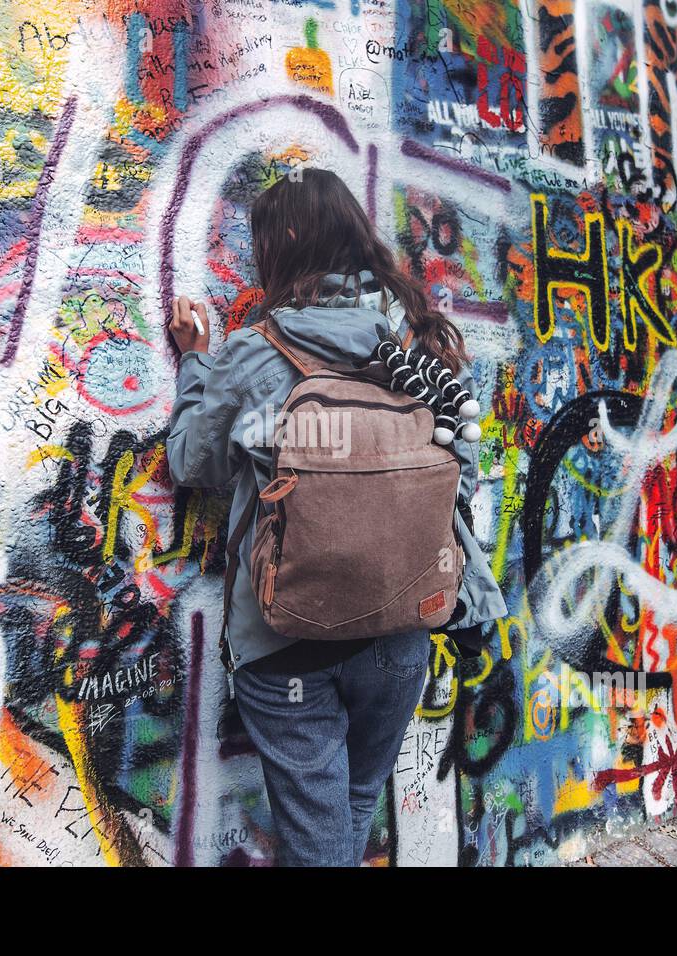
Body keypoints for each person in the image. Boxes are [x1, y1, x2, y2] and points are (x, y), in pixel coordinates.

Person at [164, 168, 506, 866]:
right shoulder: (414, 351)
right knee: (348, 809)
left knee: (319, 843)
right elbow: (460, 475)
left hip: (286, 639)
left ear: (285, 246)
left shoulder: (253, 354)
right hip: (402, 633)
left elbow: (193, 464)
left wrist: (195, 364)